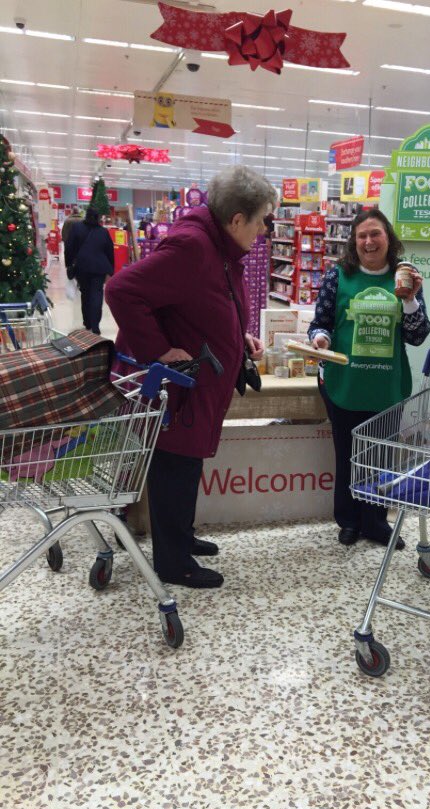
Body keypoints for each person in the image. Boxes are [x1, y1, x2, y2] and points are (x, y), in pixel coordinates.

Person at [105, 166, 276, 589]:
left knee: (187, 465)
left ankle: (181, 538)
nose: (263, 230)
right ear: (237, 219)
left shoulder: (218, 248)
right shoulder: (193, 247)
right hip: (176, 388)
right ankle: (173, 562)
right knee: (174, 467)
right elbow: (122, 290)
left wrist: (240, 337)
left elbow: (202, 305)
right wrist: (159, 351)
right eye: (260, 220)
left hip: (197, 385)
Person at [308, 209, 430, 549]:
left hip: (386, 384)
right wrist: (320, 340)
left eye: (375, 233)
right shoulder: (338, 276)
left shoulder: (405, 277)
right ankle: (348, 521)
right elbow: (320, 323)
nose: (368, 241)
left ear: (387, 238)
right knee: (347, 455)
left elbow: (418, 336)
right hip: (343, 382)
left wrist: (410, 303)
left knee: (380, 456)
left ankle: (375, 522)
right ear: (353, 241)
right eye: (361, 235)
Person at [64, 205, 114, 334]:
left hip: (82, 266)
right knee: (97, 294)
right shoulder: (103, 232)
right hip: (99, 268)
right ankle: (95, 325)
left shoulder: (77, 228)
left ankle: (87, 323)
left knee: (85, 294)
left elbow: (69, 247)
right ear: (98, 218)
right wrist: (111, 270)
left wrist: (68, 264)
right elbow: (109, 251)